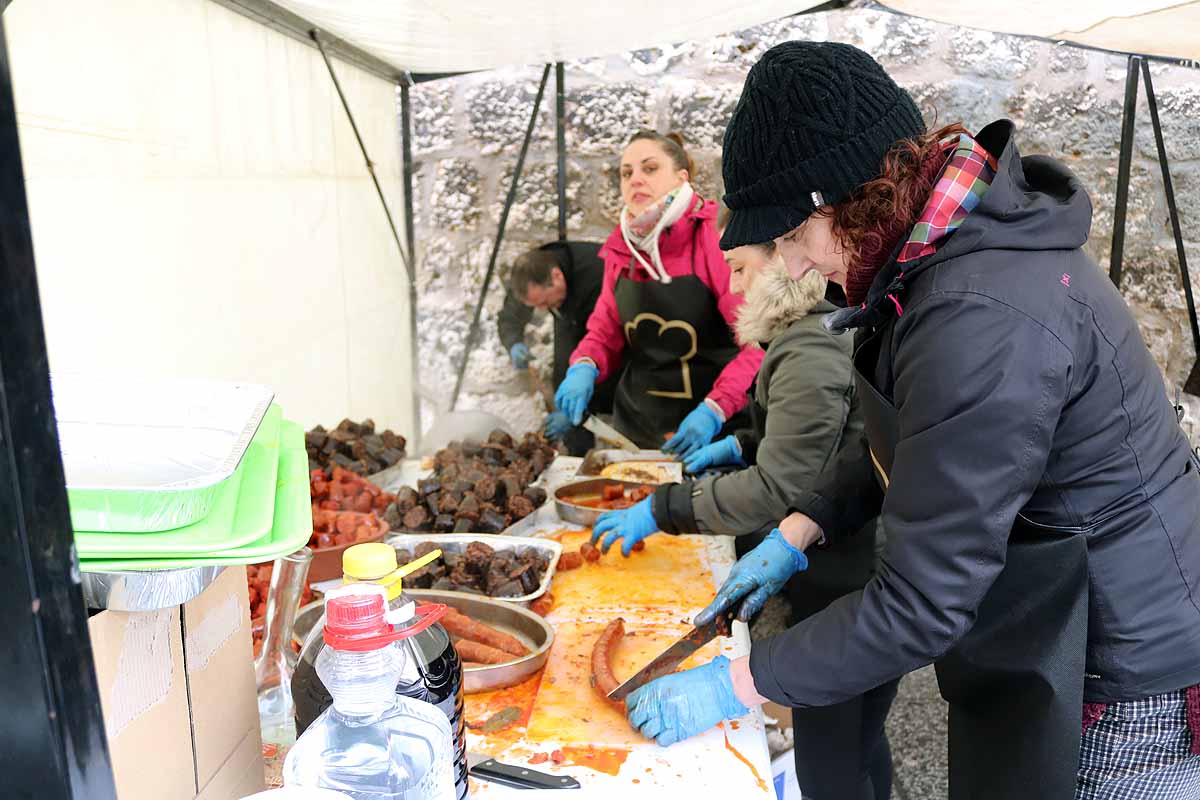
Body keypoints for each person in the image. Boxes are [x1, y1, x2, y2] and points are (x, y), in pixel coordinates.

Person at [623, 42, 1200, 800]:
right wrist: (803, 528)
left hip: (1121, 665)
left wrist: (743, 681)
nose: (792, 267)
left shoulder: (980, 314)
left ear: (847, 200)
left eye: (793, 237)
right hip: (1051, 612)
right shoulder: (937, 257)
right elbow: (916, 437)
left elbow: (922, 603)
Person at [592, 210, 897, 799]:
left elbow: (782, 486)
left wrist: (666, 509)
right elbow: (828, 438)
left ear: (781, 259)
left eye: (739, 268)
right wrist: (745, 441)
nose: (731, 287)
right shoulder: (808, 330)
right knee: (859, 738)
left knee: (831, 755)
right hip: (848, 563)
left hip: (846, 577)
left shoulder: (808, 343)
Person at [554, 130, 764, 454]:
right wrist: (584, 364)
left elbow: (757, 340)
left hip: (712, 429)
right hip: (636, 429)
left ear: (681, 177)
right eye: (626, 173)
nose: (635, 179)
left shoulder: (712, 237)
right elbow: (605, 328)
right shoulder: (622, 246)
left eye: (649, 169)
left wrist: (715, 409)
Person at [497, 241, 617, 455]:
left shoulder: (596, 273)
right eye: (535, 306)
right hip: (568, 325)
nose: (541, 311)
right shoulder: (529, 275)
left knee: (583, 395)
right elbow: (509, 317)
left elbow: (607, 345)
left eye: (543, 303)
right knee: (566, 391)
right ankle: (575, 455)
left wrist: (581, 405)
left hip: (606, 342)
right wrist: (513, 342)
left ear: (556, 276)